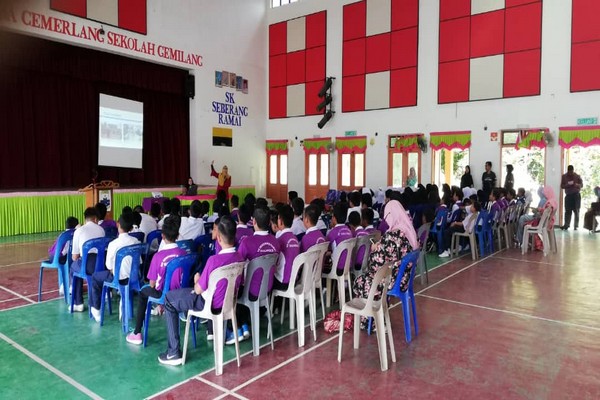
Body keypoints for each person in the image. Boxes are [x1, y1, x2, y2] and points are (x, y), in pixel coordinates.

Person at [158, 216, 243, 365]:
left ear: (219, 238)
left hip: (208, 303)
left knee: (169, 299)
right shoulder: (240, 257)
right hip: (228, 304)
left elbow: (198, 290)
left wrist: (197, 279)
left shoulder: (213, 261)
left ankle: (173, 352)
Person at [352, 200, 419, 328]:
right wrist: (382, 246)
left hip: (395, 280)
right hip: (406, 278)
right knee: (376, 277)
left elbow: (375, 263)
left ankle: (371, 321)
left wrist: (374, 249)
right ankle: (377, 316)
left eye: (387, 216)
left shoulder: (393, 235)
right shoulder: (409, 231)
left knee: (361, 281)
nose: (386, 220)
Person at [126, 216, 186, 345]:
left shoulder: (158, 256)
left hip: (164, 294)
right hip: (180, 293)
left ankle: (137, 333)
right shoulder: (183, 253)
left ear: (162, 236)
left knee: (143, 292)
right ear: (177, 235)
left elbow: (152, 284)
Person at [89, 213, 140, 323]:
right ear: (131, 228)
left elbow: (108, 266)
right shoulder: (136, 242)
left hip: (118, 278)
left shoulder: (113, 244)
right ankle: (123, 297)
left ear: (118, 224)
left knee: (95, 277)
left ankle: (96, 309)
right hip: (134, 277)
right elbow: (139, 262)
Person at [69, 208, 105, 312]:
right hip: (100, 265)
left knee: (73, 268)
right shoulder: (101, 230)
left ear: (85, 218)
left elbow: (74, 257)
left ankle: (78, 302)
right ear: (95, 219)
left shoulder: (79, 231)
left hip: (87, 265)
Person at [560, 165, 583, 230]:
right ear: (568, 171)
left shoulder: (577, 176)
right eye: (569, 172)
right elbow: (562, 186)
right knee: (567, 211)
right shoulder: (564, 176)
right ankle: (566, 225)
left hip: (576, 196)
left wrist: (577, 185)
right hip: (568, 196)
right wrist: (567, 185)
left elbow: (581, 185)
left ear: (573, 170)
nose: (571, 173)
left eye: (572, 172)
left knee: (576, 211)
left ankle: (576, 226)